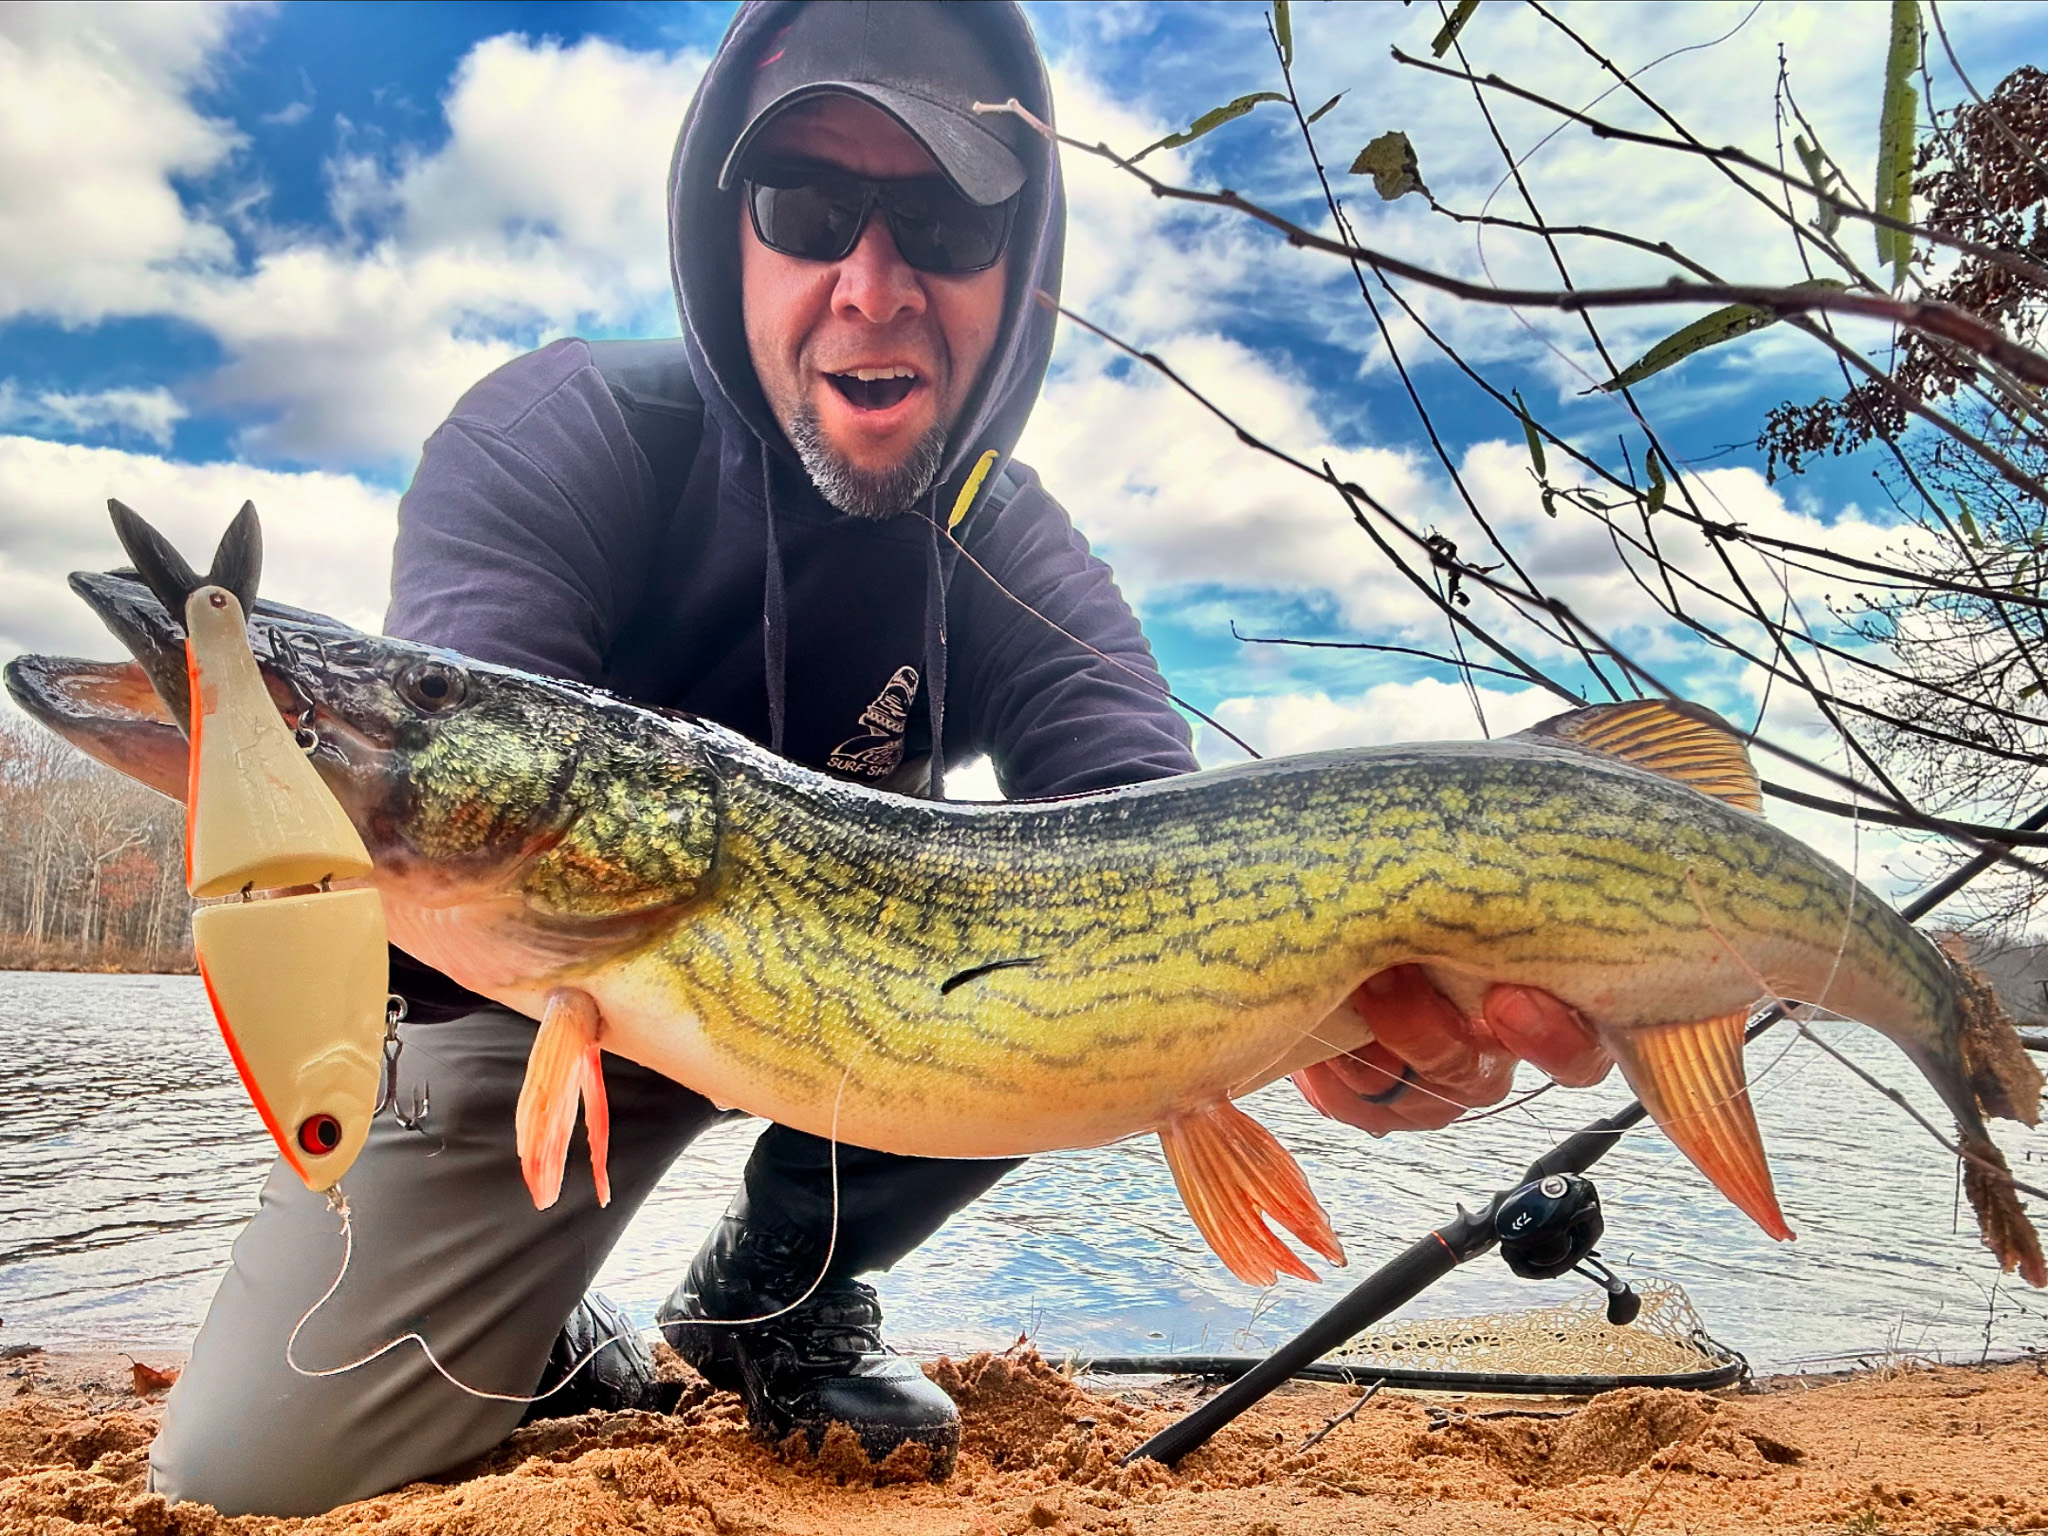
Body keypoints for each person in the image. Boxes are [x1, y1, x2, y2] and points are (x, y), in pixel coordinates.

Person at [147, 0, 1602, 1515]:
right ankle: (538, 1316)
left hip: (885, 1026)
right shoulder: (557, 436)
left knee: (1051, 963)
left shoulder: (1015, 549)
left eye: (947, 221)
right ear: (733, 235)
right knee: (252, 1475)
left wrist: (1338, 1030)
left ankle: (771, 1296)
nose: (873, 280)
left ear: (1017, 271)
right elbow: (468, 791)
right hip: (539, 992)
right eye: (807, 206)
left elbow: (1149, 854)